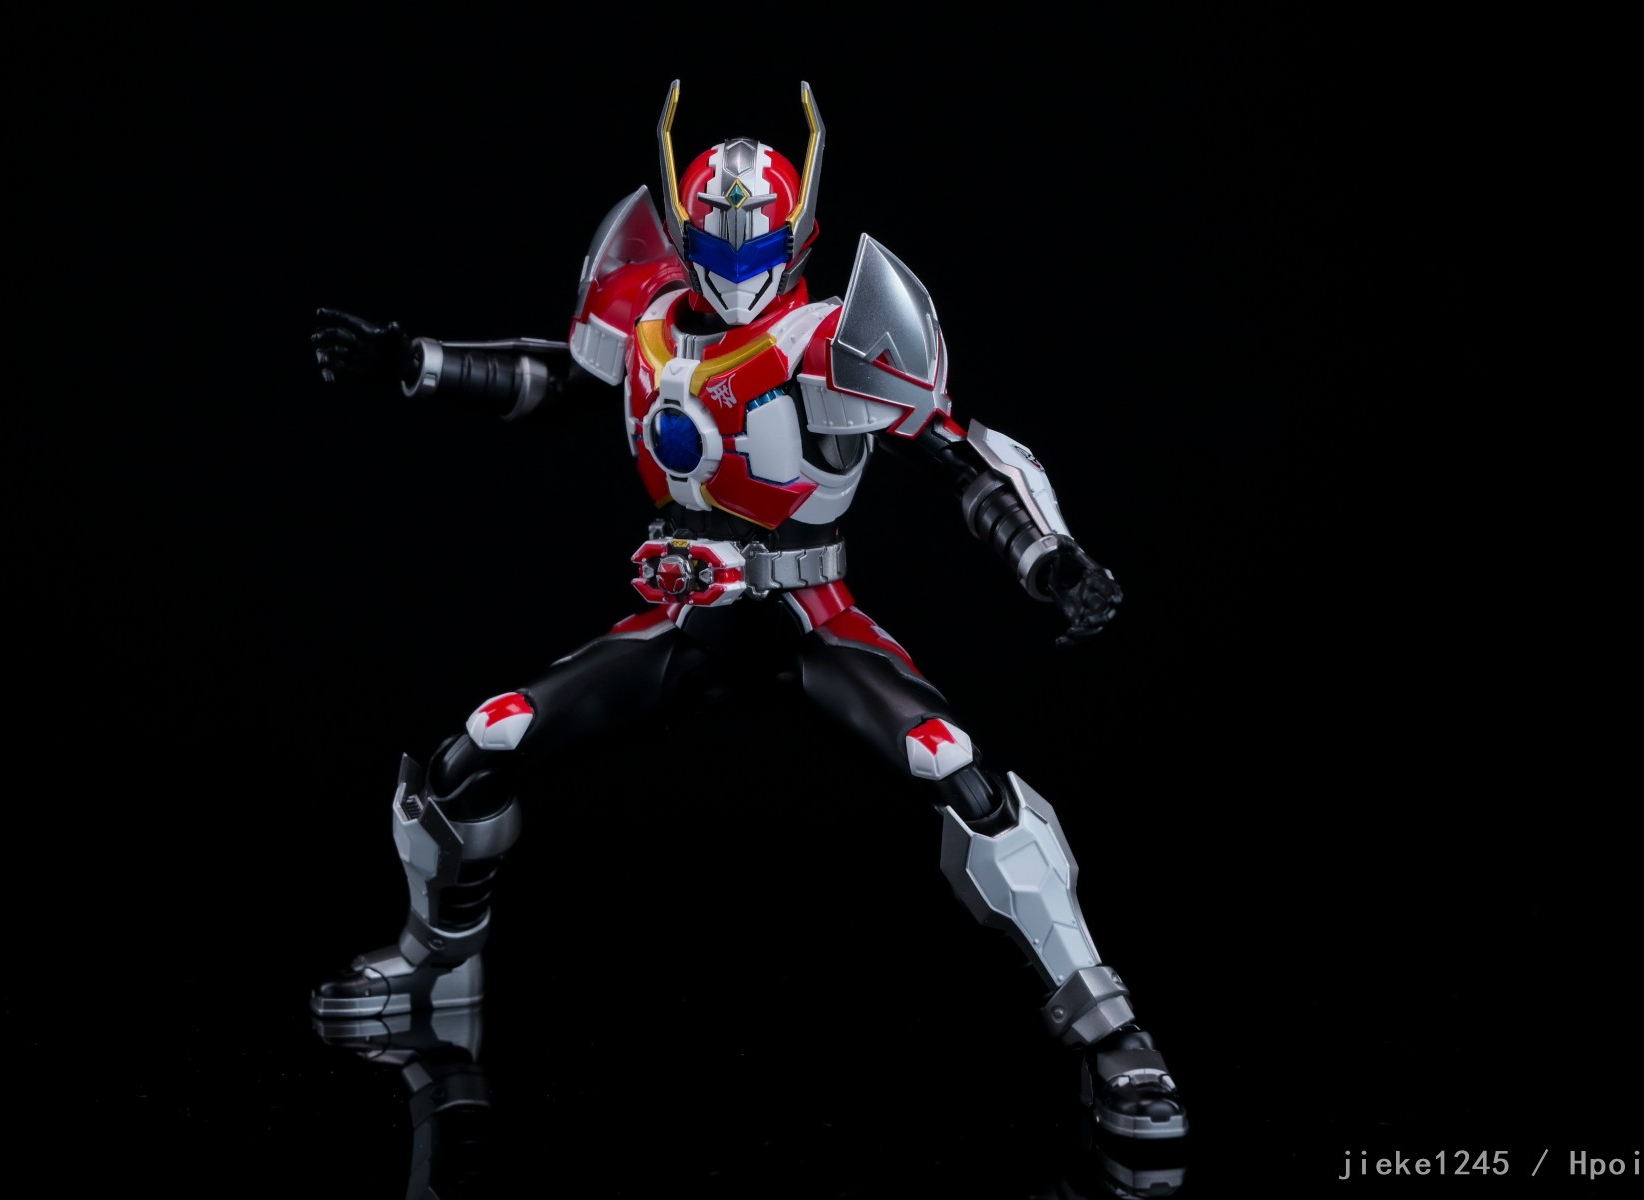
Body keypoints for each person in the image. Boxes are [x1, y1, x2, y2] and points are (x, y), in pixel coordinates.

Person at [310, 80, 1185, 1141]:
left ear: (797, 231)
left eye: (756, 241)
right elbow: (558, 378)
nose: (735, 266)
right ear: (682, 241)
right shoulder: (644, 326)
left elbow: (959, 454)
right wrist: (420, 364)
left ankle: (1110, 1031)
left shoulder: (828, 340)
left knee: (962, 775)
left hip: (810, 618)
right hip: (686, 623)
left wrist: (1046, 556)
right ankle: (433, 964)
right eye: (716, 245)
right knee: (477, 748)